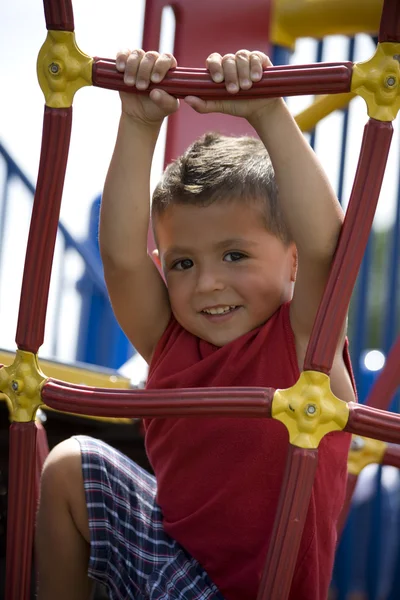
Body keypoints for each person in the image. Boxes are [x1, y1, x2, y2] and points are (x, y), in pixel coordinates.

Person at [36, 49, 356, 600]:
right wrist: (138, 124)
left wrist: (269, 113)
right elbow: (121, 258)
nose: (207, 282)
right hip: (179, 580)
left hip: (267, 590)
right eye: (183, 263)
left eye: (235, 255)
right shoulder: (170, 341)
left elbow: (330, 246)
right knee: (69, 466)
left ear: (293, 261)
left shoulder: (305, 344)